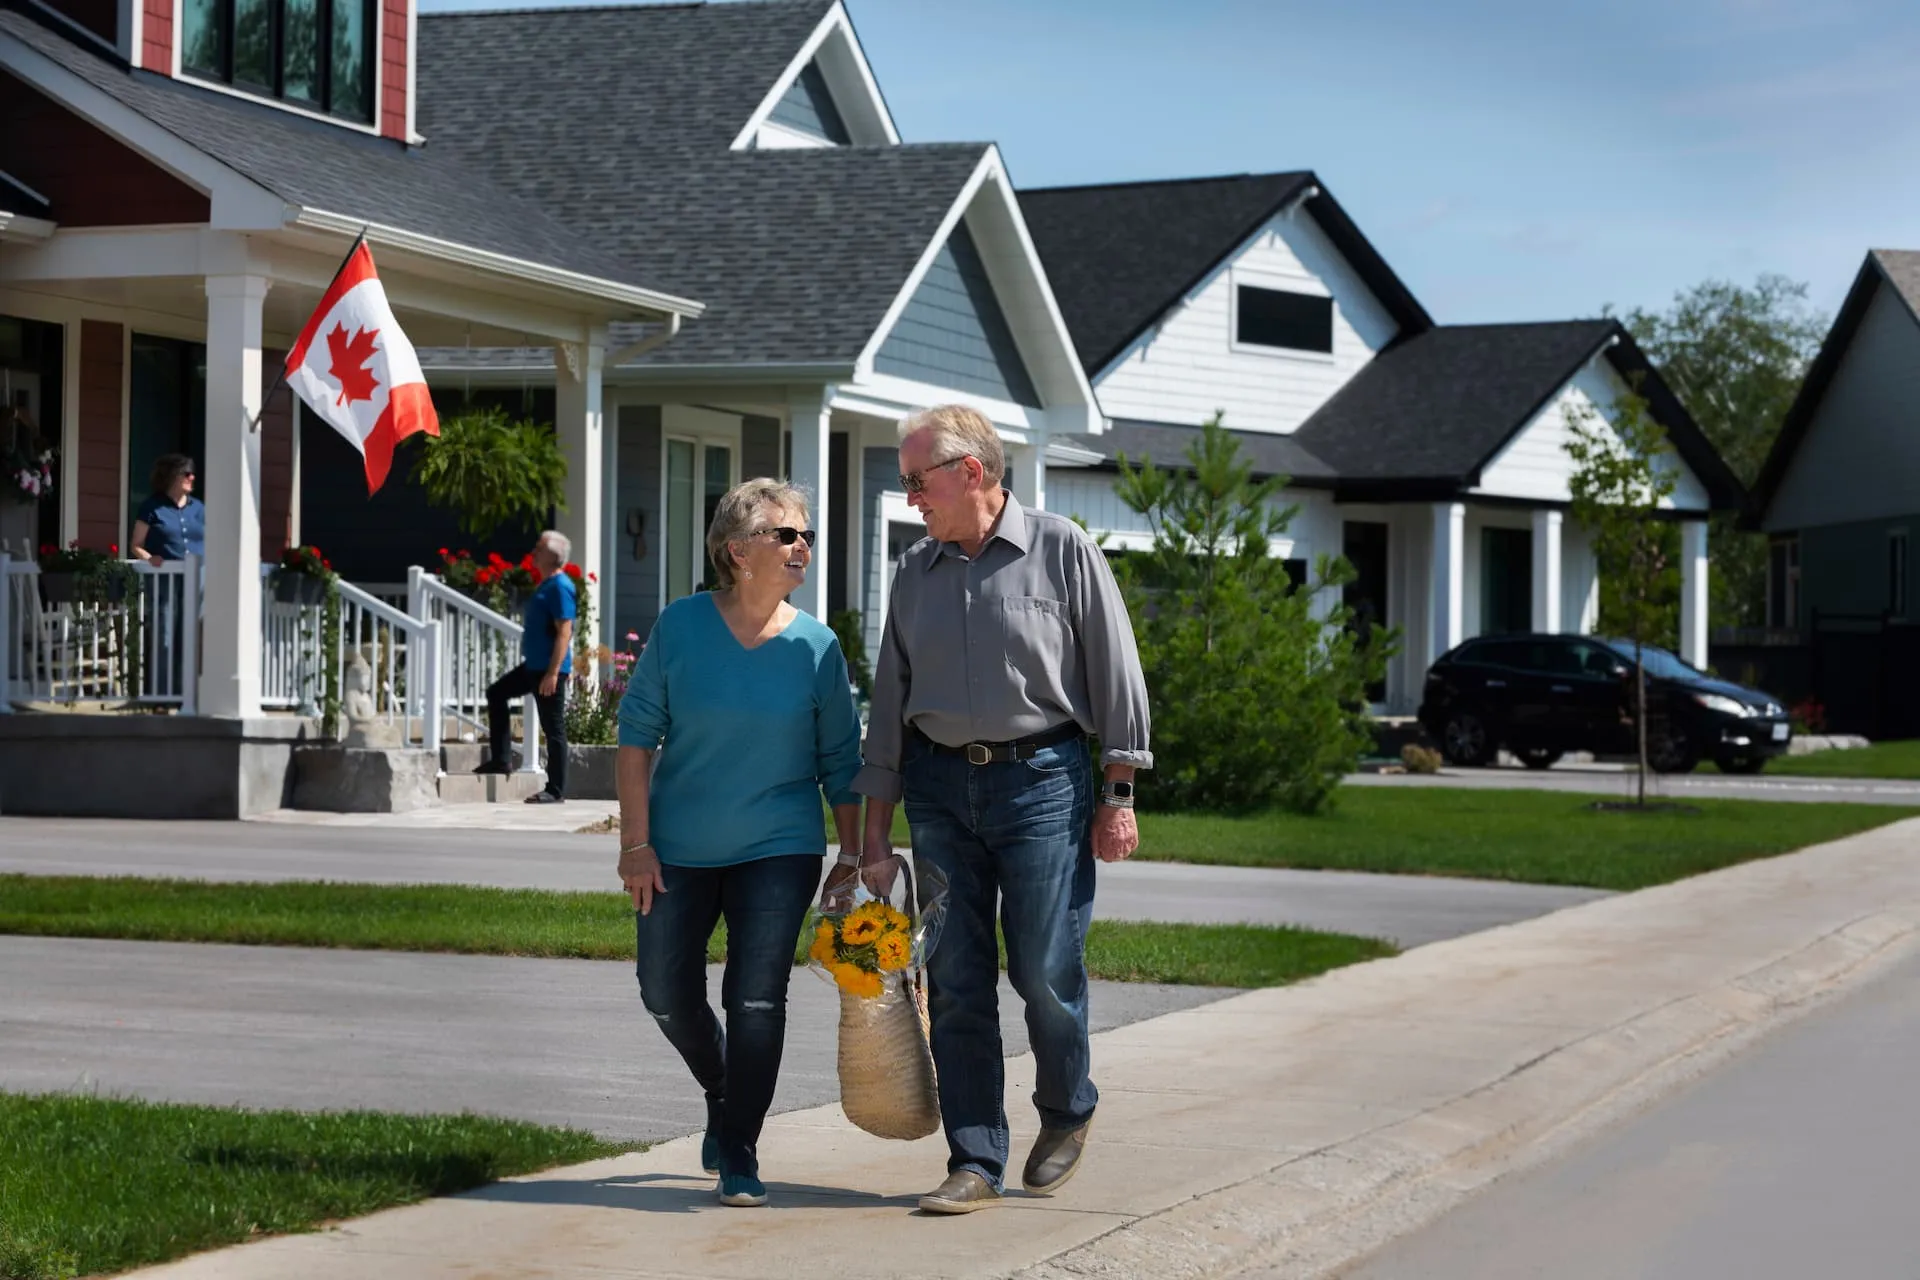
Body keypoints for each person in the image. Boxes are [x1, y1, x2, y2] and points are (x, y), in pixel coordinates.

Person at [852, 405, 1152, 1215]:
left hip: (1044, 785)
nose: (910, 495)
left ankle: (1066, 1110)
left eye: (918, 479)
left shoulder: (1062, 550)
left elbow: (1118, 678)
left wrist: (1118, 797)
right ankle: (975, 1158)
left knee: (1044, 969)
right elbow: (889, 709)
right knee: (954, 978)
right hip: (940, 790)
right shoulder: (915, 572)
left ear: (971, 472)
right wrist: (874, 836)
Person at [615, 479, 863, 1209]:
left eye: (806, 535)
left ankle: (742, 1148)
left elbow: (841, 764)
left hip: (778, 846)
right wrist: (636, 844)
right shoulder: (681, 627)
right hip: (678, 848)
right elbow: (635, 741)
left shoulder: (818, 648)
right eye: (785, 534)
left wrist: (850, 856)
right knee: (663, 992)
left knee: (756, 999)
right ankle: (722, 1090)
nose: (802, 547)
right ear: (736, 550)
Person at [475, 530, 575, 804]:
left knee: (553, 728)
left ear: (552, 556)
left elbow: (565, 631)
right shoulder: (546, 584)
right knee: (497, 693)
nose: (533, 553)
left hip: (549, 670)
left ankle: (555, 790)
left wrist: (554, 673)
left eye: (539, 549)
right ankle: (502, 759)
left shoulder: (560, 587)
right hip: (534, 666)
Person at [129, 454, 204, 565]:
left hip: (199, 579)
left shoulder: (200, 507)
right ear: (171, 476)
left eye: (192, 474)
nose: (192, 478)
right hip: (165, 578)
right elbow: (136, 546)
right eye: (187, 474)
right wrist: (150, 558)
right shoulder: (151, 507)